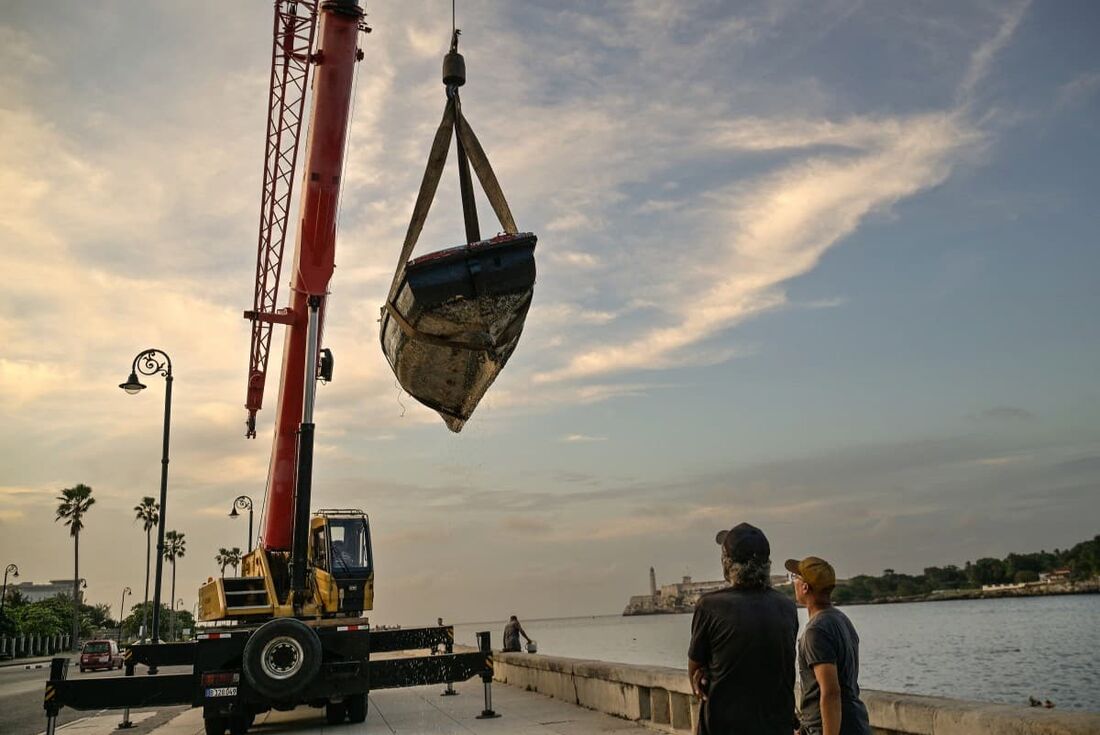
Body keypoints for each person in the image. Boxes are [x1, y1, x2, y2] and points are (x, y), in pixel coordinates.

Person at [688, 522, 799, 734]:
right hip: (776, 726)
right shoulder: (786, 606)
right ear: (767, 564)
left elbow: (694, 670)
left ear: (727, 563)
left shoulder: (710, 606)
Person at [785, 556, 871, 735]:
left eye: (795, 578)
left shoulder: (816, 631)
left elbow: (831, 692)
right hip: (854, 723)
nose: (793, 582)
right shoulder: (841, 619)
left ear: (805, 587)